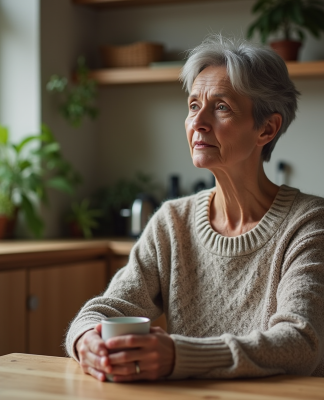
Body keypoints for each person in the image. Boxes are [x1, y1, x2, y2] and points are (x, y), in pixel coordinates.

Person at [65, 35, 324, 382]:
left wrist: (178, 356)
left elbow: (299, 344)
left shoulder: (309, 224)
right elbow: (107, 309)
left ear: (267, 128)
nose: (197, 122)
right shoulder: (172, 221)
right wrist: (85, 340)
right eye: (192, 105)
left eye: (221, 107)